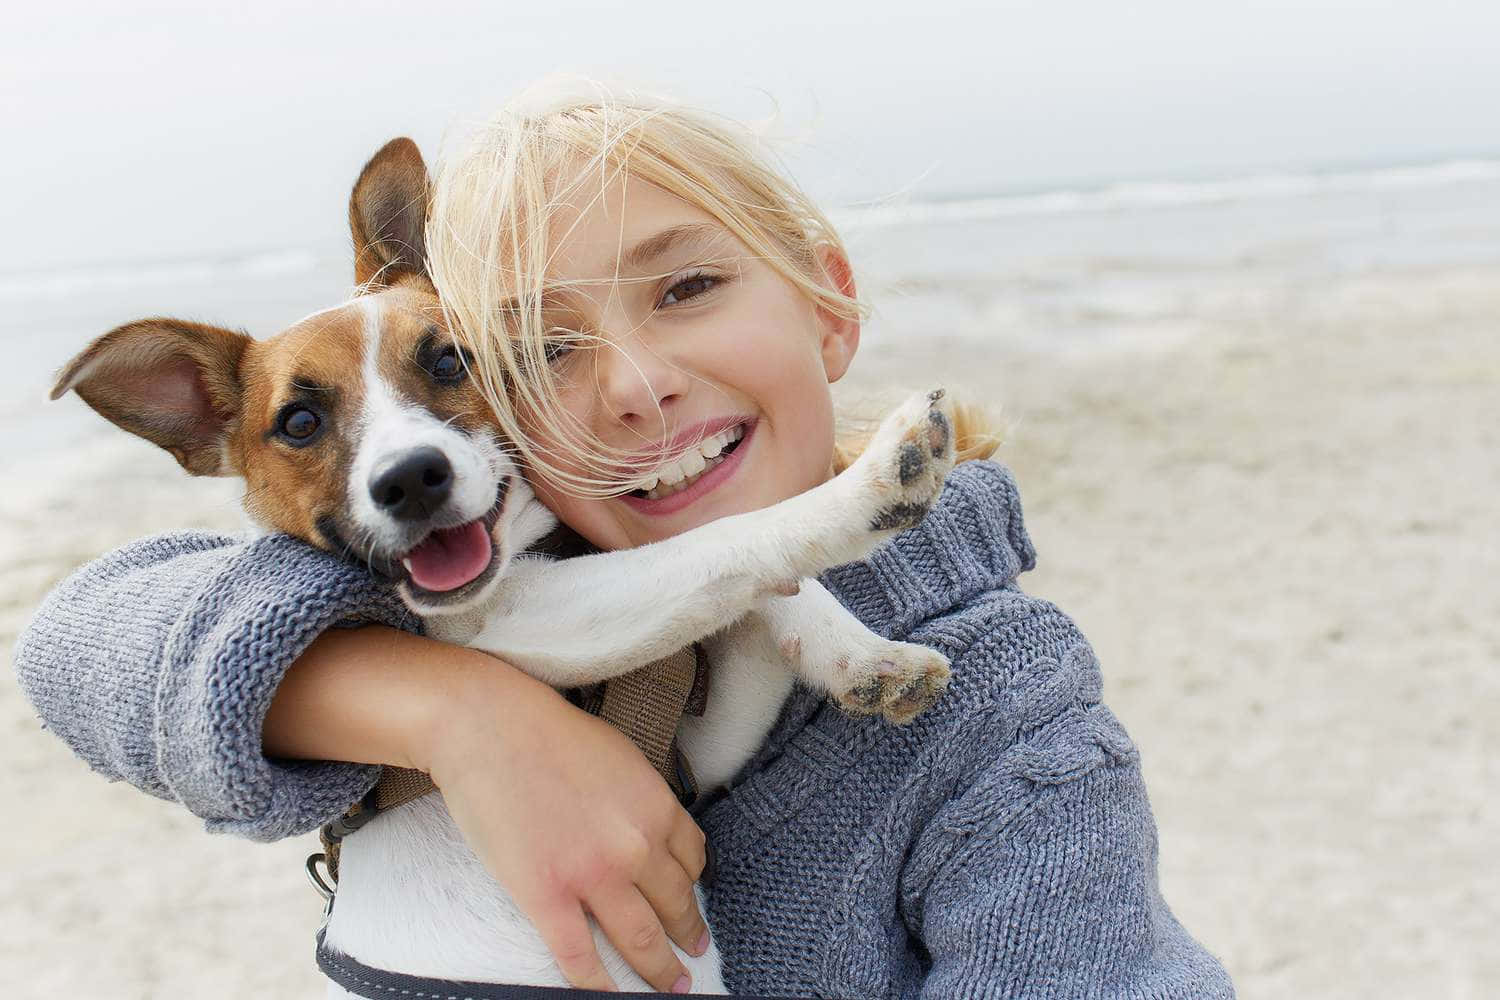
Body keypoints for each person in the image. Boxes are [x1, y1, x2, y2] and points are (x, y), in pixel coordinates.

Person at [14, 80, 1234, 998]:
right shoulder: (382, 591)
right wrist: (450, 715)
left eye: (688, 286)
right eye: (541, 349)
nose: (638, 385)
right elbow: (73, 639)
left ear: (830, 306)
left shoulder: (1014, 721)